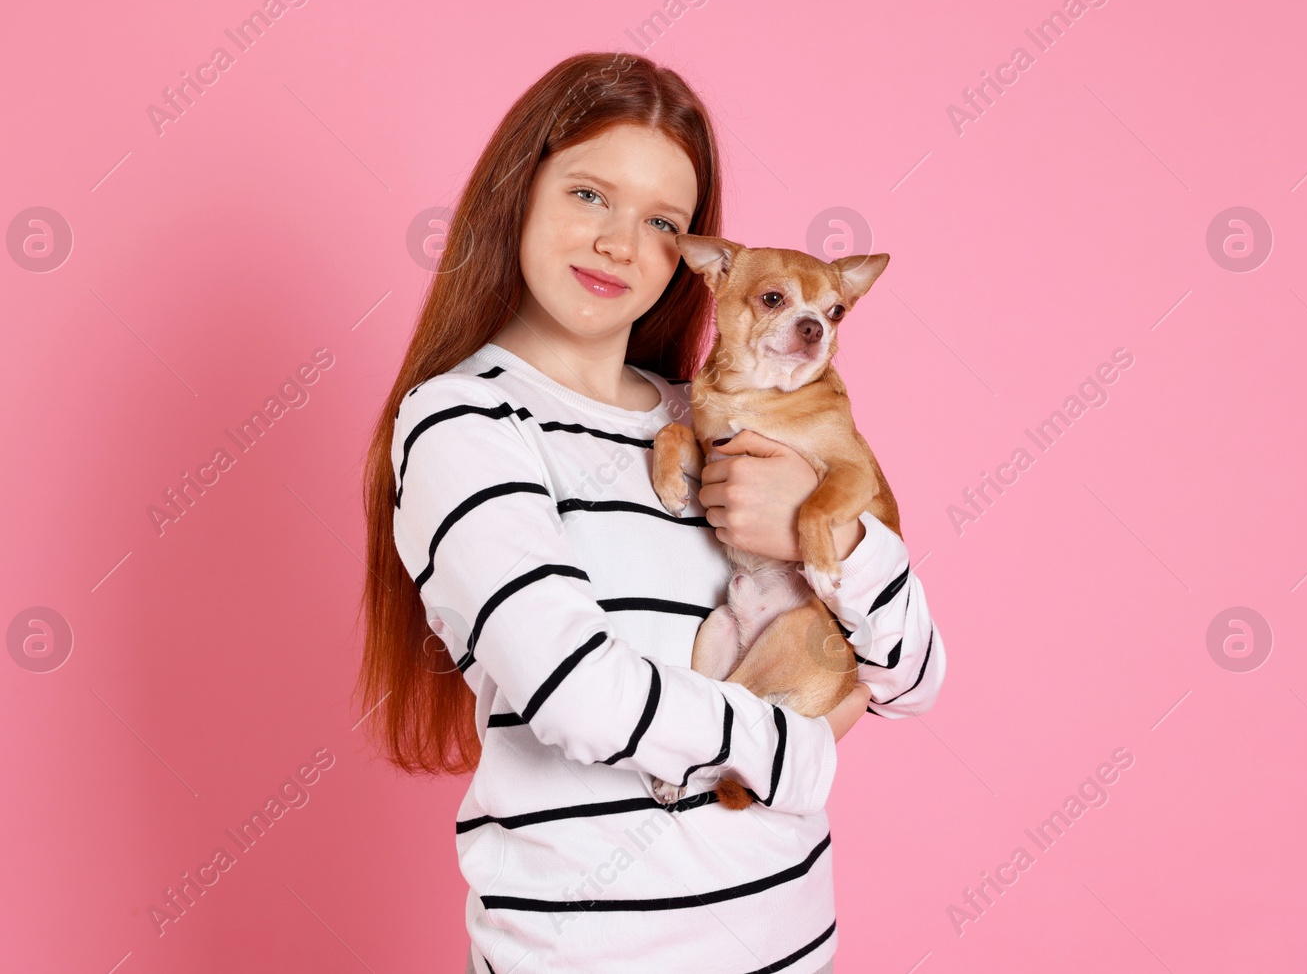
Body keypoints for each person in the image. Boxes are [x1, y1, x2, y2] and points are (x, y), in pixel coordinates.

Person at [357, 52, 945, 974]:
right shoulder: (464, 422)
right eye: (590, 195)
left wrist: (816, 529)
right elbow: (575, 693)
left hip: (793, 944)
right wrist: (803, 745)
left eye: (660, 220)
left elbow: (913, 674)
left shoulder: (712, 419)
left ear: (691, 257)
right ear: (520, 191)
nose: (620, 244)